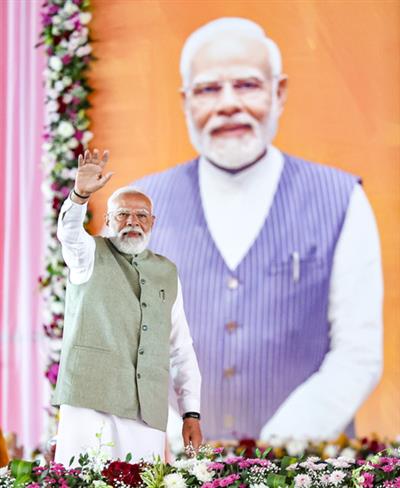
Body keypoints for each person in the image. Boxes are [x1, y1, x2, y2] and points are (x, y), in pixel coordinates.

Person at [133, 18, 383, 442]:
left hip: (307, 465)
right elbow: (123, 353)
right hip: (171, 465)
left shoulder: (342, 200)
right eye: (208, 89)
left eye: (247, 85)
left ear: (279, 92)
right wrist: (176, 444)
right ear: (186, 101)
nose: (228, 104)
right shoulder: (138, 207)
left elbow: (358, 351)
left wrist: (276, 452)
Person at [53, 149, 202, 464]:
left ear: (152, 223)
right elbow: (69, 234)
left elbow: (181, 347)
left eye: (141, 215)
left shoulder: (167, 271)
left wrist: (191, 412)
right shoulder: (87, 254)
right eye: (122, 214)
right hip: (89, 404)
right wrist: (79, 196)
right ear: (108, 220)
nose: (132, 221)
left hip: (146, 410)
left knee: (143, 481)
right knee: (83, 481)